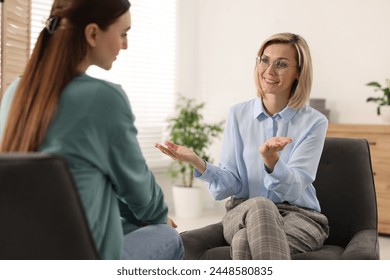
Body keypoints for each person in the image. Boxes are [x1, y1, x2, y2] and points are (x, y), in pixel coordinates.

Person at [0, 0, 183, 260]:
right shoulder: (104, 99)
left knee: (131, 223)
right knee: (169, 236)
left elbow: (76, 182)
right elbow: (141, 194)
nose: (125, 44)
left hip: (24, 255)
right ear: (93, 33)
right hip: (84, 259)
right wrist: (159, 218)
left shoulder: (14, 93)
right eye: (123, 33)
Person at [156, 32, 329, 260]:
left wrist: (272, 161)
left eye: (281, 64)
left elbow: (295, 189)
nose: (269, 70)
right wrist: (198, 162)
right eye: (264, 60)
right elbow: (230, 184)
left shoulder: (314, 122)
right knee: (260, 205)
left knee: (243, 241)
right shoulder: (238, 114)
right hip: (242, 213)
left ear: (299, 72)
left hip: (300, 217)